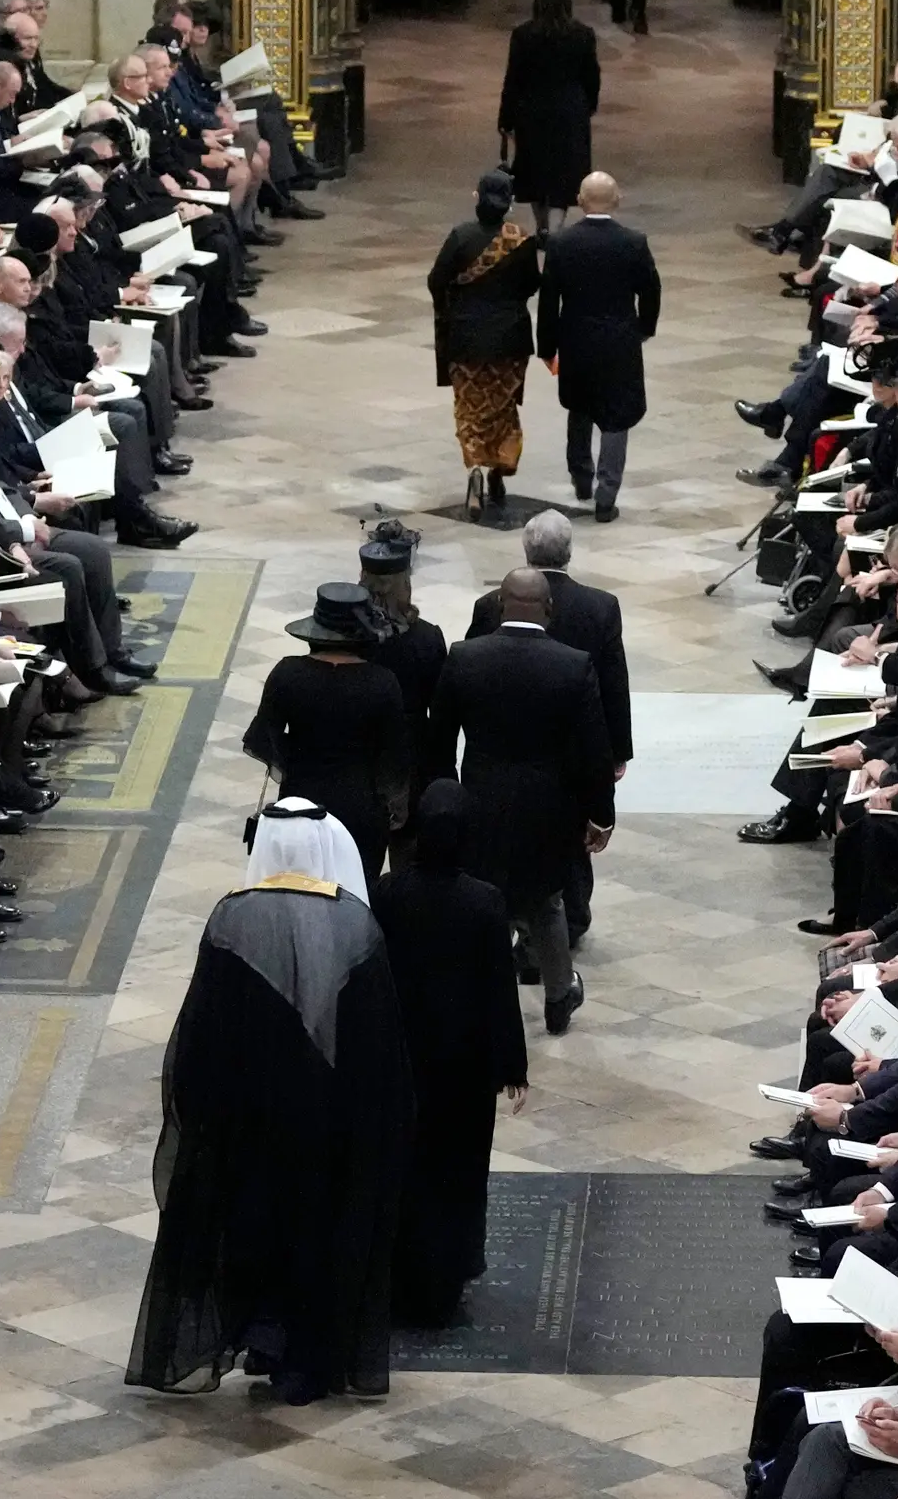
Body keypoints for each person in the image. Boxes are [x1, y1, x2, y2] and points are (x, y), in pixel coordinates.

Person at [123, 802, 412, 1402]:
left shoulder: (231, 918)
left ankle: (259, 1338)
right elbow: (378, 1042)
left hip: (246, 1116)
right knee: (317, 1233)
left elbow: (201, 1025)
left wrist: (198, 1105)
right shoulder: (355, 923)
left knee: (252, 1227)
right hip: (327, 1119)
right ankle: (304, 1364)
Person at [430, 573, 614, 1036]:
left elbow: (439, 740)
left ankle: (480, 998)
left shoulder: (465, 656)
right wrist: (600, 815)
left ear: (499, 605)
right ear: (549, 608)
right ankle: (558, 997)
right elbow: (595, 750)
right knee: (546, 901)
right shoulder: (573, 664)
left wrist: (446, 797)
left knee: (481, 896)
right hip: (548, 807)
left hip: (479, 798)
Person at [371, 783, 525, 1327]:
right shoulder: (484, 901)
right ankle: (450, 1271)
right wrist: (512, 1066)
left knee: (406, 1166)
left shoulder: (388, 893)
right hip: (464, 1069)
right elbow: (499, 989)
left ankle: (400, 1274)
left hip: (403, 1059)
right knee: (457, 1170)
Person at [241, 587, 413, 878]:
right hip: (361, 805)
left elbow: (262, 739)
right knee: (355, 888)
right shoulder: (383, 683)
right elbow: (395, 756)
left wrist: (295, 753)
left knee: (299, 886)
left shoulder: (287, 673)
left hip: (300, 801)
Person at [535, 172, 660, 519]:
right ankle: (607, 495)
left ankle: (581, 477)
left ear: (579, 200)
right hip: (620, 340)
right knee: (617, 416)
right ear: (617, 200)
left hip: (576, 339)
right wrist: (644, 328)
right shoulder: (634, 242)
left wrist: (547, 346)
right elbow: (651, 290)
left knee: (580, 407)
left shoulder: (561, 243)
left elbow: (549, 300)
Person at [428, 168, 545, 513]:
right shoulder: (520, 239)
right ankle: (499, 469)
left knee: (469, 409)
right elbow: (532, 285)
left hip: (466, 340)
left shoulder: (460, 236)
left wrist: (452, 308)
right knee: (502, 406)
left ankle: (475, 469)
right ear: (509, 204)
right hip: (510, 340)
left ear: (477, 197)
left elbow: (436, 280)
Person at [499, 0, 602, 229]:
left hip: (532, 109)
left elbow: (513, 79)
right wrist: (588, 106)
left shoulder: (523, 35)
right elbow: (592, 77)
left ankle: (542, 225)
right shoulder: (583, 35)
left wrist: (506, 119)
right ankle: (555, 227)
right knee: (564, 171)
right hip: (570, 109)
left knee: (535, 170)